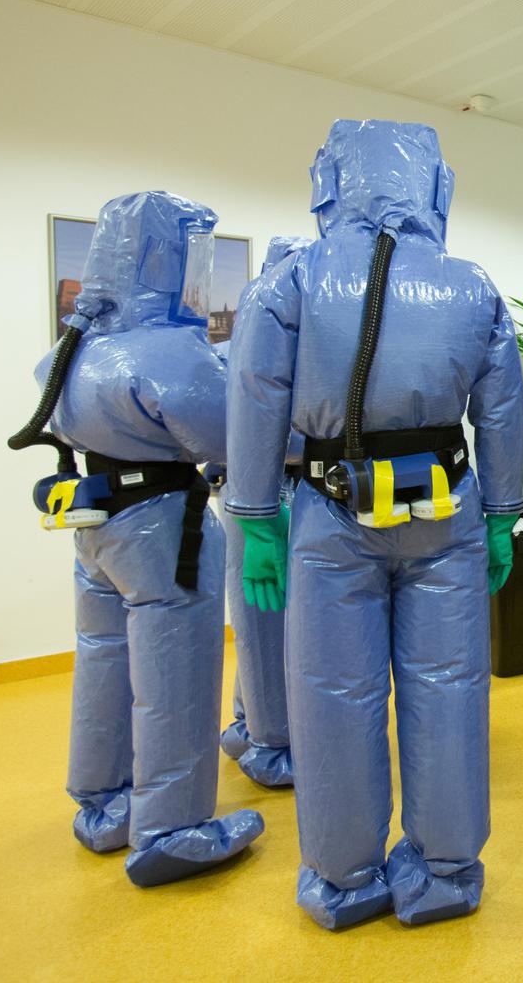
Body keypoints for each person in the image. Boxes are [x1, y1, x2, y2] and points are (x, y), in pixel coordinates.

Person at [225, 119, 523, 929]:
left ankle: (345, 878)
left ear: (329, 181)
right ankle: (446, 873)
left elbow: (254, 399)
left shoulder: (290, 282)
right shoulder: (472, 286)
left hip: (329, 514)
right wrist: (503, 515)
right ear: (436, 184)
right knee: (449, 690)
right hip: (447, 515)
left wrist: (255, 517)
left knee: (332, 695)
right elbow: (502, 412)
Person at [16, 191, 264, 886]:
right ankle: (173, 829)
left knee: (103, 661)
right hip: (163, 531)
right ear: (167, 257)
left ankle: (105, 804)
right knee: (174, 677)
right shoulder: (171, 352)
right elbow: (230, 440)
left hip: (97, 526)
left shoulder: (69, 351)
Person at [216, 234, 311, 788]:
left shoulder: (234, 347)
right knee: (271, 620)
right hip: (270, 495)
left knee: (258, 617)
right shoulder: (283, 352)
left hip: (251, 493)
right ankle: (275, 743)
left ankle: (247, 721)